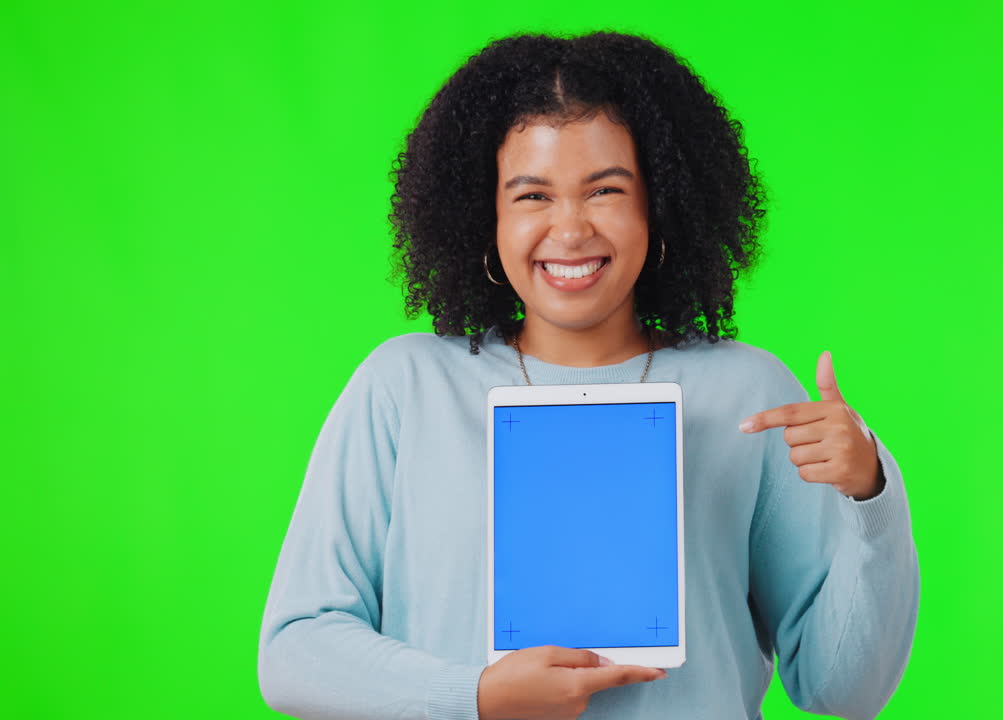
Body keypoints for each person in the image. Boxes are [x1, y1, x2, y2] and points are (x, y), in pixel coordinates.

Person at [257, 30, 919, 720]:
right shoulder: (403, 388)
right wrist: (474, 697)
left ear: (658, 206)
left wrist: (870, 493)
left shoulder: (749, 397)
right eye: (532, 196)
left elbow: (845, 688)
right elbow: (296, 651)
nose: (569, 230)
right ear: (484, 217)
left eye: (604, 190)